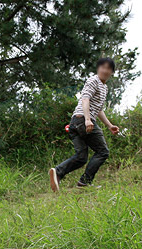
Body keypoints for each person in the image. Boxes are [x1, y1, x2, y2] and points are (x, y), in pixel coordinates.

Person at [49, 58, 120, 192]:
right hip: (83, 121)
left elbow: (98, 109)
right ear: (98, 69)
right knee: (102, 151)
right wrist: (88, 119)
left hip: (75, 122)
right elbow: (85, 98)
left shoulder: (104, 88)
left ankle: (57, 172)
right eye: (102, 67)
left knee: (81, 158)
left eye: (108, 68)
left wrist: (109, 125)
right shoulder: (94, 81)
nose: (105, 70)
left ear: (112, 72)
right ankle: (85, 182)